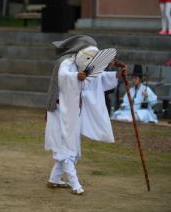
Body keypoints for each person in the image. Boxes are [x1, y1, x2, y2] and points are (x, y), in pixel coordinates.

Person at [45, 35, 127, 195]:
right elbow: (63, 77)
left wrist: (116, 75)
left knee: (71, 147)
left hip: (74, 113)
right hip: (60, 112)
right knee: (66, 148)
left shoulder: (88, 67)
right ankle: (76, 185)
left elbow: (96, 78)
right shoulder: (66, 62)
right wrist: (76, 76)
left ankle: (53, 180)